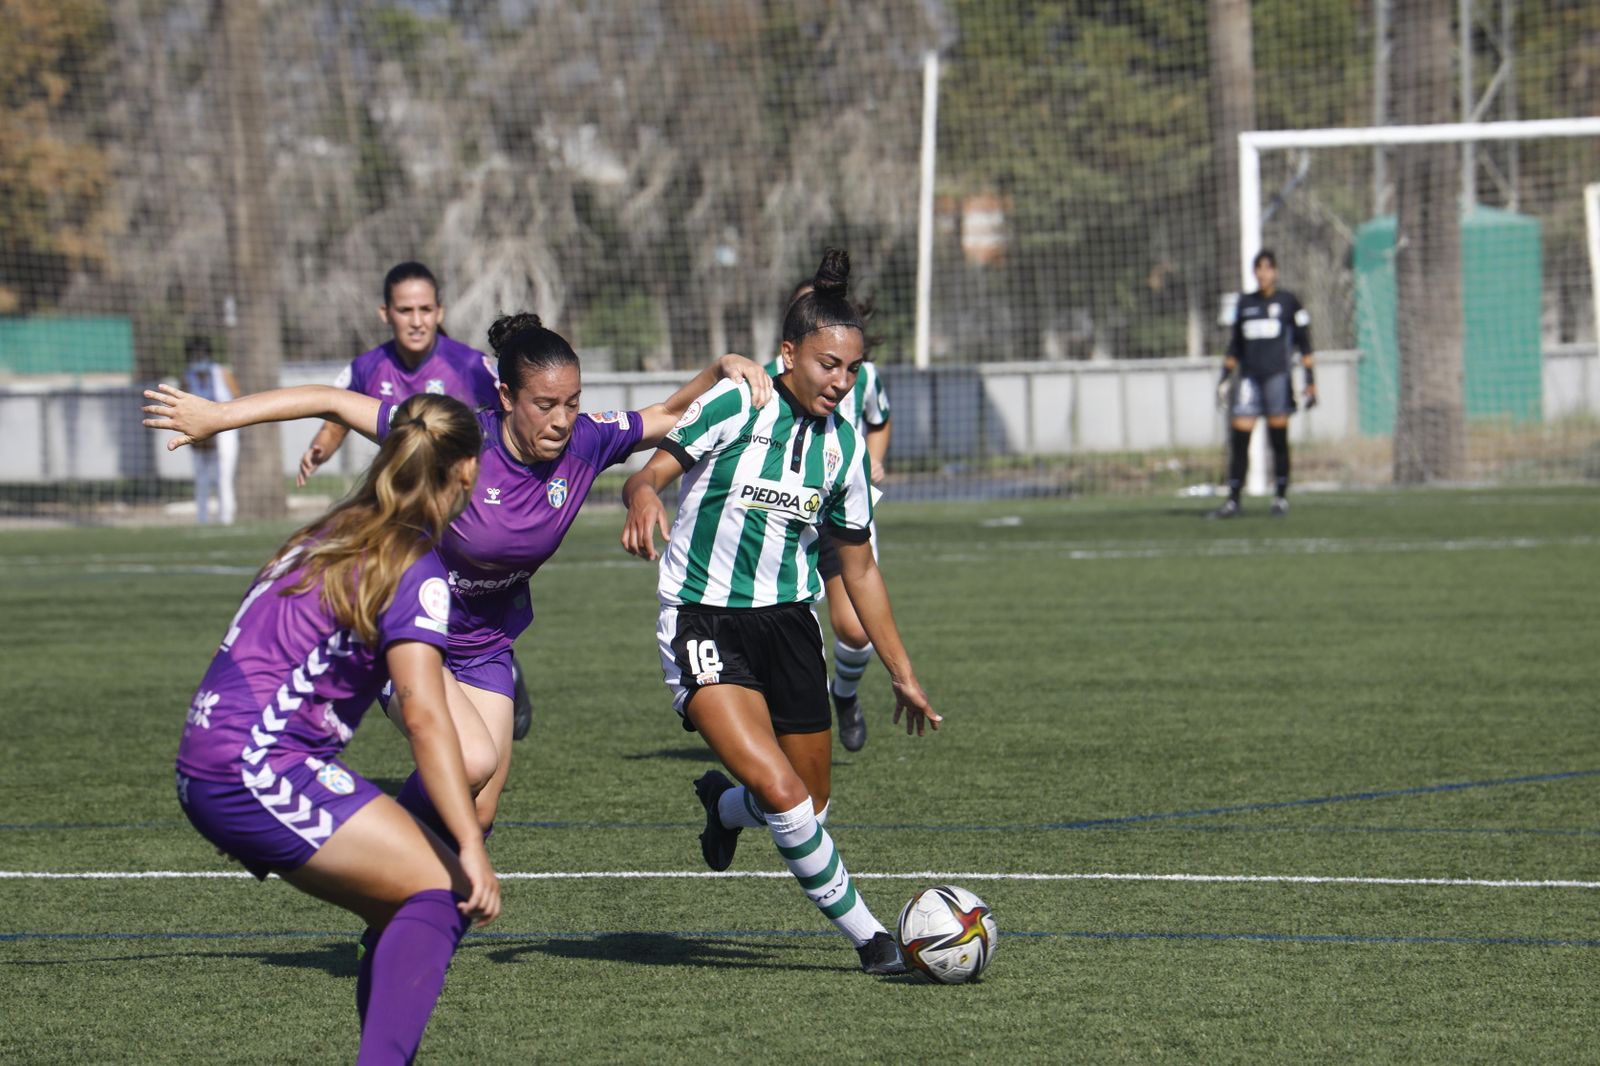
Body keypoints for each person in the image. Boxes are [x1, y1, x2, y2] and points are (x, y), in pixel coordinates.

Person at [143, 319, 772, 861]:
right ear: (505, 396)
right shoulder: (456, 439)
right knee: (468, 763)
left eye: (572, 402)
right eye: (544, 404)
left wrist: (721, 369)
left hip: (485, 644)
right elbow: (329, 401)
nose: (561, 419)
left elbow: (669, 417)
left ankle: (397, 914)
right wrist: (219, 417)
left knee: (481, 811)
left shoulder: (587, 439)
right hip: (408, 631)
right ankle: (379, 866)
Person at [620, 249, 939, 975]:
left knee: (808, 807)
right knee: (788, 797)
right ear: (788, 353)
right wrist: (641, 496)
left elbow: (858, 566)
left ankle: (723, 808)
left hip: (791, 625)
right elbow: (653, 470)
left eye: (851, 370)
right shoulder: (740, 403)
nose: (840, 381)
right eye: (828, 364)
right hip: (704, 621)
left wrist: (903, 672)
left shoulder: (845, 447)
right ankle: (873, 941)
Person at [164, 392, 498, 1065]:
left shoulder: (336, 531)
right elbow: (424, 716)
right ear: (464, 471)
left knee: (400, 913)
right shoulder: (411, 564)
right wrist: (470, 844)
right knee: (443, 893)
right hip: (256, 766)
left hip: (219, 757)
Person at [299, 261, 537, 741]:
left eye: (425, 309)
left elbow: (517, 407)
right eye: (405, 310)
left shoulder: (469, 365)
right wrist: (323, 446)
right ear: (385, 313)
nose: (416, 319)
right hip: (406, 515)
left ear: (439, 311)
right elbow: (339, 406)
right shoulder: (370, 366)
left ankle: (494, 667)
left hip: (465, 513)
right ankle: (420, 680)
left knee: (460, 603)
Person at [768, 280, 892, 751]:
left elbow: (878, 422)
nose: (841, 379)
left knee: (856, 628)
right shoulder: (761, 379)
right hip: (780, 514)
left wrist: (874, 459)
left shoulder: (866, 378)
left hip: (836, 509)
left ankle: (843, 693)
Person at [1210, 249, 1316, 519]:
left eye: (1268, 268)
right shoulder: (1245, 304)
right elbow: (1235, 345)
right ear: (1254, 272)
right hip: (1248, 378)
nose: (1263, 273)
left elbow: (1304, 343)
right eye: (1259, 268)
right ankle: (1233, 500)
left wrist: (1310, 380)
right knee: (1240, 438)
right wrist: (1224, 377)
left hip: (1277, 377)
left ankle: (1280, 497)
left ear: (1276, 271)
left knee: (1277, 439)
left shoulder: (1288, 302)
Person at [180, 335, 240, 525]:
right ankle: (202, 518)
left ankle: (226, 518)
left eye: (202, 353)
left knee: (223, 476)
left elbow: (238, 399)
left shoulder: (222, 374)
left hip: (225, 431)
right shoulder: (187, 377)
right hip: (198, 432)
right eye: (195, 354)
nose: (199, 357)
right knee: (201, 476)